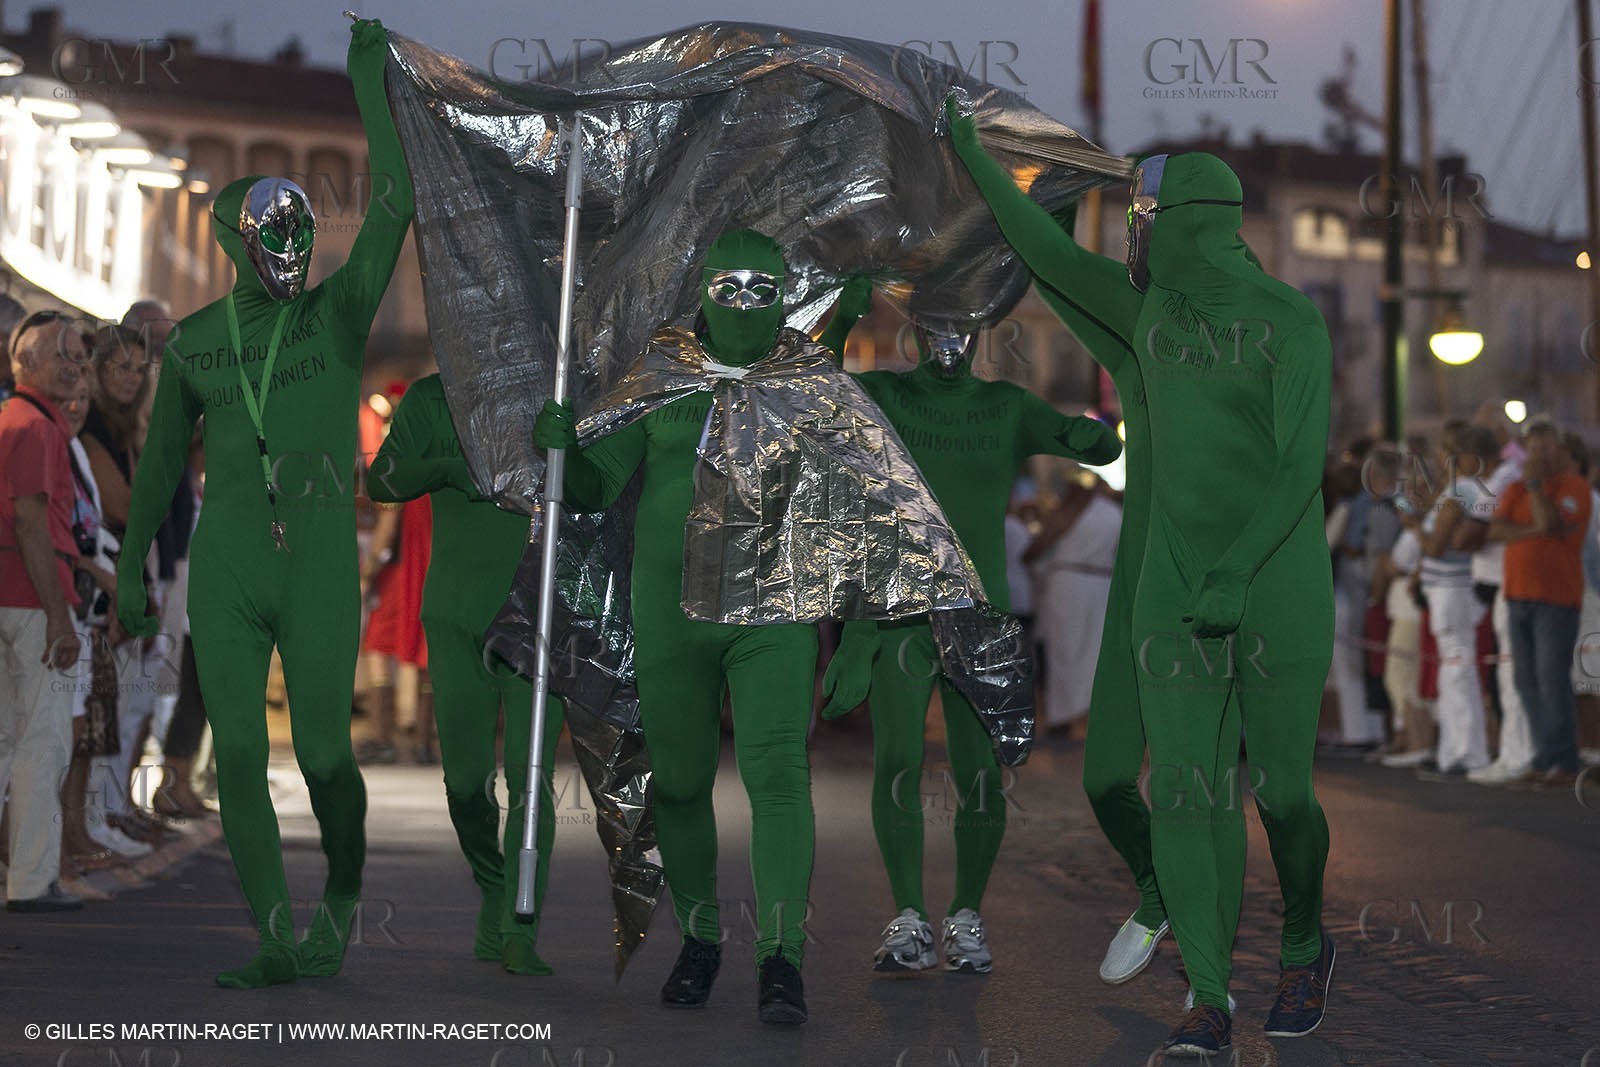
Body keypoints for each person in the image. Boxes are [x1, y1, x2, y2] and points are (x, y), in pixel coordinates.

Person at [952, 109, 1336, 1054]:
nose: (1135, 239)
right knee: (1188, 794)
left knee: (1283, 791)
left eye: (1144, 220)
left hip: (1276, 583)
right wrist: (969, 151)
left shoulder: (1292, 319)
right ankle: (1209, 993)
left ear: (1184, 221)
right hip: (1174, 593)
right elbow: (1045, 251)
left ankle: (1303, 939)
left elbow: (1300, 471)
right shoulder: (1152, 314)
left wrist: (1238, 570)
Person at [114, 17, 414, 988]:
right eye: (273, 229)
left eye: (298, 227)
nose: (291, 241)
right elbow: (160, 470)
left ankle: (341, 892)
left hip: (319, 554)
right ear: (238, 240)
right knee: (239, 749)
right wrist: (128, 568)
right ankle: (277, 935)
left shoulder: (337, 312)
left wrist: (373, 85)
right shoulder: (195, 343)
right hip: (231, 554)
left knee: (326, 755)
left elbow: (397, 202)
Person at [816, 309, 1119, 976]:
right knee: (896, 762)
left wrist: (1127, 371)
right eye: (935, 325)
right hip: (900, 613)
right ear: (916, 331)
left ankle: (966, 913)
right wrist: (847, 305)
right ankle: (907, 914)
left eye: (962, 326)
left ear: (982, 333)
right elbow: (820, 388)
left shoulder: (1005, 406)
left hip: (978, 617)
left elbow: (1100, 448)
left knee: (980, 776)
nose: (947, 340)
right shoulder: (889, 396)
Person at [368, 372, 565, 975]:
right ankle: (494, 885)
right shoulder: (434, 396)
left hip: (539, 613)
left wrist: (568, 448)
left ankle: (519, 922)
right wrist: (452, 467)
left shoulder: (558, 388)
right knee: (465, 783)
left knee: (532, 779)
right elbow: (382, 480)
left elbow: (604, 488)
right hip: (454, 615)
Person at [1, 309, 88, 911]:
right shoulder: (33, 426)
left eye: (78, 354)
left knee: (10, 741)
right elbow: (32, 523)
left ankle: (29, 877)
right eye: (61, 353)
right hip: (32, 600)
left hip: (18, 596)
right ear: (24, 362)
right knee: (42, 743)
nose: (75, 364)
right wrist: (59, 615)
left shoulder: (20, 420)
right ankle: (32, 881)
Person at [1490, 417, 1592, 787]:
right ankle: (1543, 755)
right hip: (1518, 595)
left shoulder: (1574, 487)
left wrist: (1535, 489)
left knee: (1552, 679)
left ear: (1561, 451)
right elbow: (1496, 531)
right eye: (1532, 449)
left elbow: (1550, 522)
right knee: (1526, 681)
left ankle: (1563, 760)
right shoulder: (1514, 489)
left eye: (1545, 449)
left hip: (1556, 598)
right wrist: (1533, 527)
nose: (1537, 456)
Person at [1414, 421, 1496, 778]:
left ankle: (1466, 752)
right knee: (1454, 672)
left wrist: (1413, 524)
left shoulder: (1462, 489)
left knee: (1458, 672)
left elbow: (1436, 544)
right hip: (1452, 589)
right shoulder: (1470, 488)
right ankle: (1454, 750)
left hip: (1452, 590)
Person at [1461, 425, 1532, 785]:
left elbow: (1476, 532)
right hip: (1506, 581)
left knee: (1510, 674)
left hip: (1508, 581)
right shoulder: (1506, 476)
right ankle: (1515, 752)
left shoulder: (1503, 478)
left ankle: (1516, 755)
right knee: (1509, 673)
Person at [1026, 475, 1122, 737]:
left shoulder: (1068, 512)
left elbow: (1036, 549)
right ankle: (1091, 713)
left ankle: (1061, 716)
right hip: (1101, 584)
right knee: (1094, 651)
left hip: (1066, 585)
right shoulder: (1114, 514)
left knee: (1064, 651)